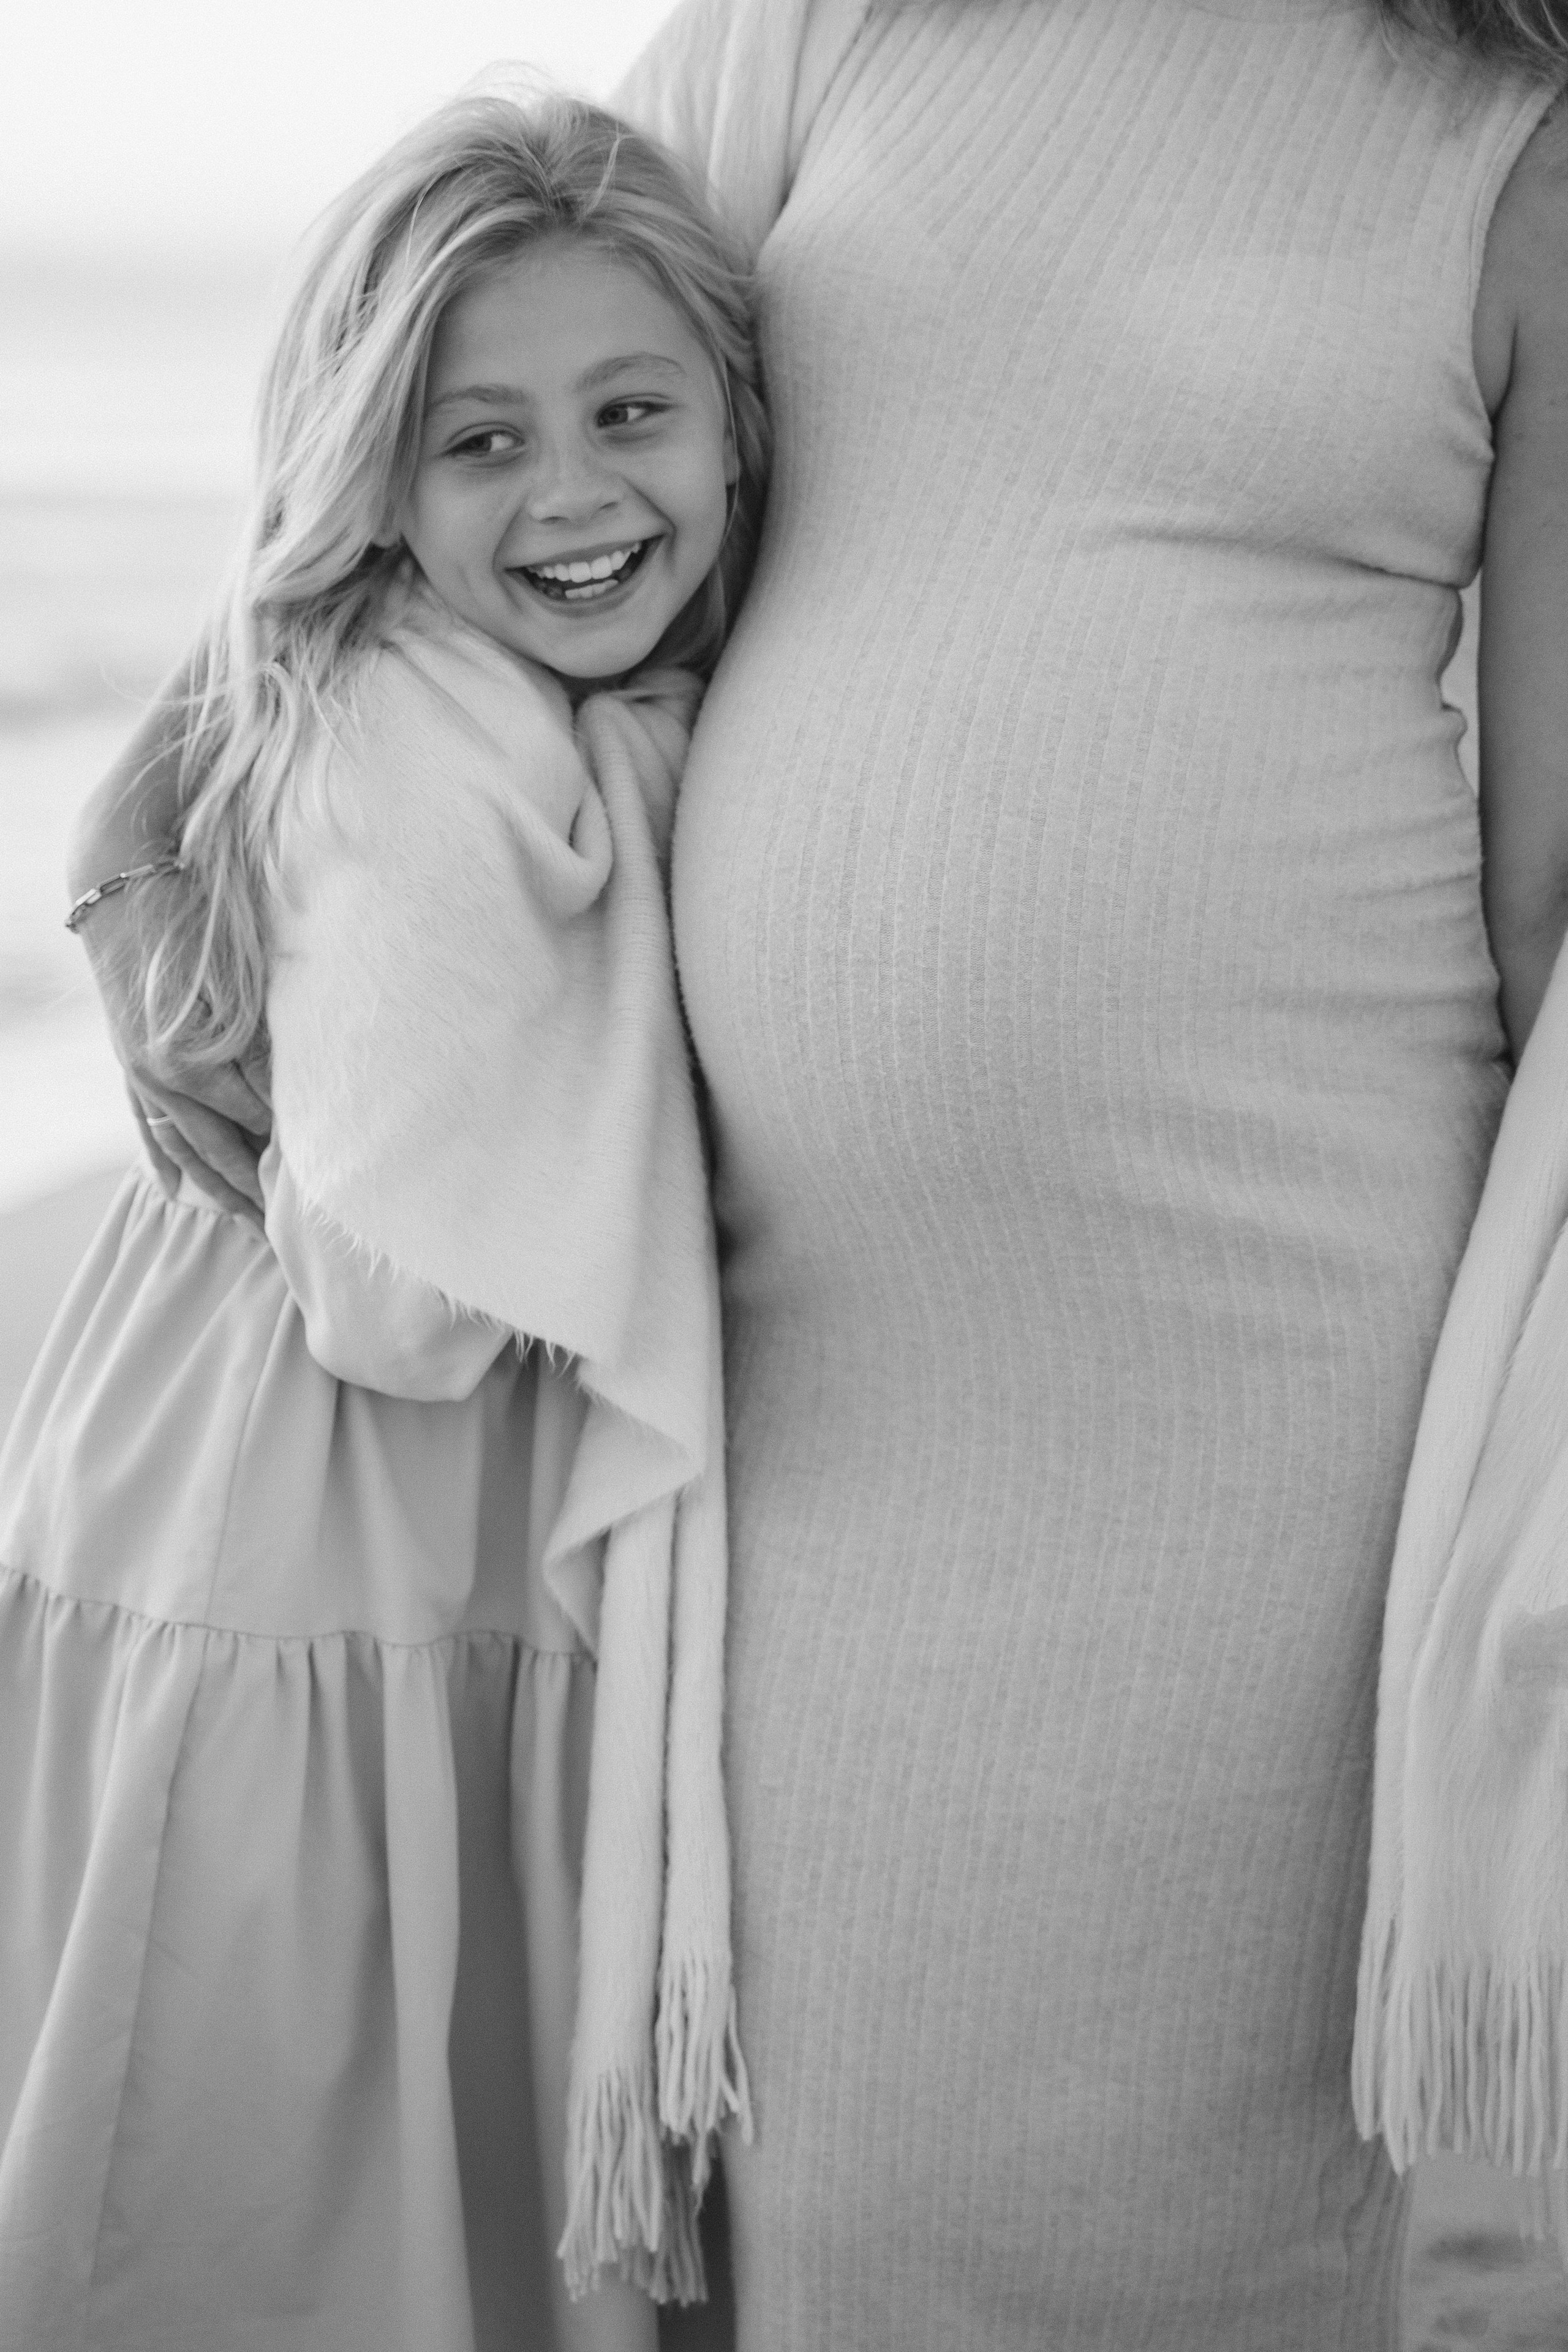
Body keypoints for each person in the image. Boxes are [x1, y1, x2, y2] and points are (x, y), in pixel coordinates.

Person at [58, 0, 1568, 2345]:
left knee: (1193, 2158)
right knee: (827, 2151)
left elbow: (1551, 863)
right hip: (810, 1349)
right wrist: (157, 784)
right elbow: (457, 344)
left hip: (1274, 1336)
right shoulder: (856, 12)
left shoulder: (1527, 132)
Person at [0, 91, 769, 2352]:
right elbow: (408, 1307)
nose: (572, 496)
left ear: (739, 413)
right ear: (369, 474)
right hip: (323, 1522)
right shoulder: (437, 750)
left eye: (632, 413)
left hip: (254, 1500)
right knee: (295, 2181)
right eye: (477, 444)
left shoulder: (514, 703)